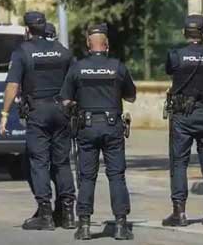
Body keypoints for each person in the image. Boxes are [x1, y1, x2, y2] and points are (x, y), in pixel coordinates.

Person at [60, 23, 137, 241]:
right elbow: (131, 96)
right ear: (107, 45)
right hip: (112, 126)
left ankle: (84, 226)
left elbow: (65, 99)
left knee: (87, 177)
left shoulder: (77, 68)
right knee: (116, 176)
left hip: (87, 126)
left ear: (88, 44)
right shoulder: (117, 66)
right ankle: (121, 226)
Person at [1, 11, 75, 230]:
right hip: (61, 111)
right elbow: (76, 82)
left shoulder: (22, 52)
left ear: (27, 29)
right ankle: (68, 212)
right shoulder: (64, 52)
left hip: (38, 112)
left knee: (38, 162)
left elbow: (13, 86)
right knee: (62, 163)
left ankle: (45, 214)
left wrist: (4, 114)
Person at [162, 14, 203, 227]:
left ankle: (179, 213)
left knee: (179, 163)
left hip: (183, 117)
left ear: (184, 32)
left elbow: (170, 70)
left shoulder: (176, 55)